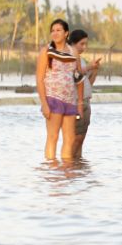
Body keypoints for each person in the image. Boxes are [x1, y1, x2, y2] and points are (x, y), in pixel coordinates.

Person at [35, 19, 84, 160]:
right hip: (53, 98)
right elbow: (39, 79)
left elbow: (79, 78)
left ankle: (66, 171)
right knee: (53, 136)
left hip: (70, 100)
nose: (55, 33)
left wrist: (80, 103)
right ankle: (51, 171)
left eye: (58, 30)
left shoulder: (73, 52)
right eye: (53, 30)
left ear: (66, 33)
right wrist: (44, 104)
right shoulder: (46, 51)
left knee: (70, 138)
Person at [68, 29, 101, 158]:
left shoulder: (80, 60)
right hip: (77, 102)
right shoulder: (70, 57)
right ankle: (68, 163)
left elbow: (88, 83)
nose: (84, 47)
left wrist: (95, 70)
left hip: (86, 101)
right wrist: (89, 68)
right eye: (82, 44)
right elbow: (75, 74)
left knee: (80, 139)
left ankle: (77, 165)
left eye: (85, 44)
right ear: (73, 43)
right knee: (76, 138)